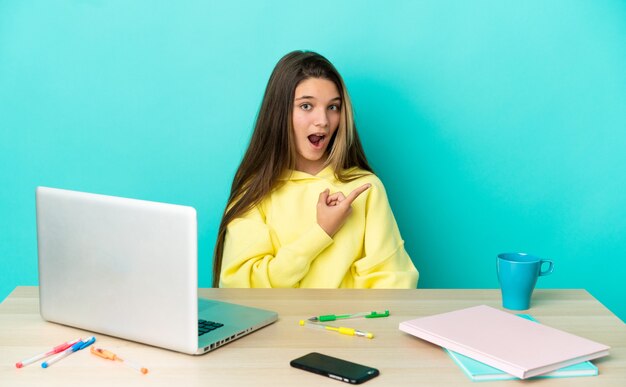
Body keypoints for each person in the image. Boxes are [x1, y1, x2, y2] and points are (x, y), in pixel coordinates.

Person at [212, 50, 418, 288]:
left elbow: (393, 284)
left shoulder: (365, 188)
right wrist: (321, 232)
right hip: (276, 326)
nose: (323, 120)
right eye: (306, 106)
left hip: (345, 325)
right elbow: (241, 288)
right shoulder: (255, 190)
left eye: (333, 107)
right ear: (279, 113)